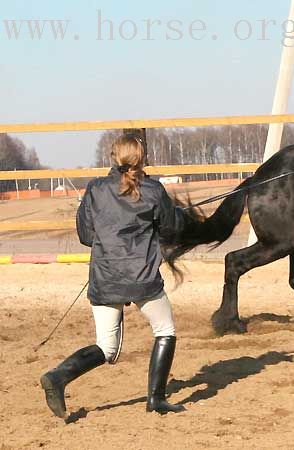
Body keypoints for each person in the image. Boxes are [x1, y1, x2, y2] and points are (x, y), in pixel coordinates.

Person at [40, 134, 187, 419]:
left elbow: (86, 236)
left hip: (105, 277)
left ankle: (58, 376)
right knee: (165, 331)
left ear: (112, 157)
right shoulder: (154, 190)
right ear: (142, 158)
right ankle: (155, 399)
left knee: (106, 348)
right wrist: (173, 216)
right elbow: (171, 231)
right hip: (143, 278)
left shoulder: (95, 189)